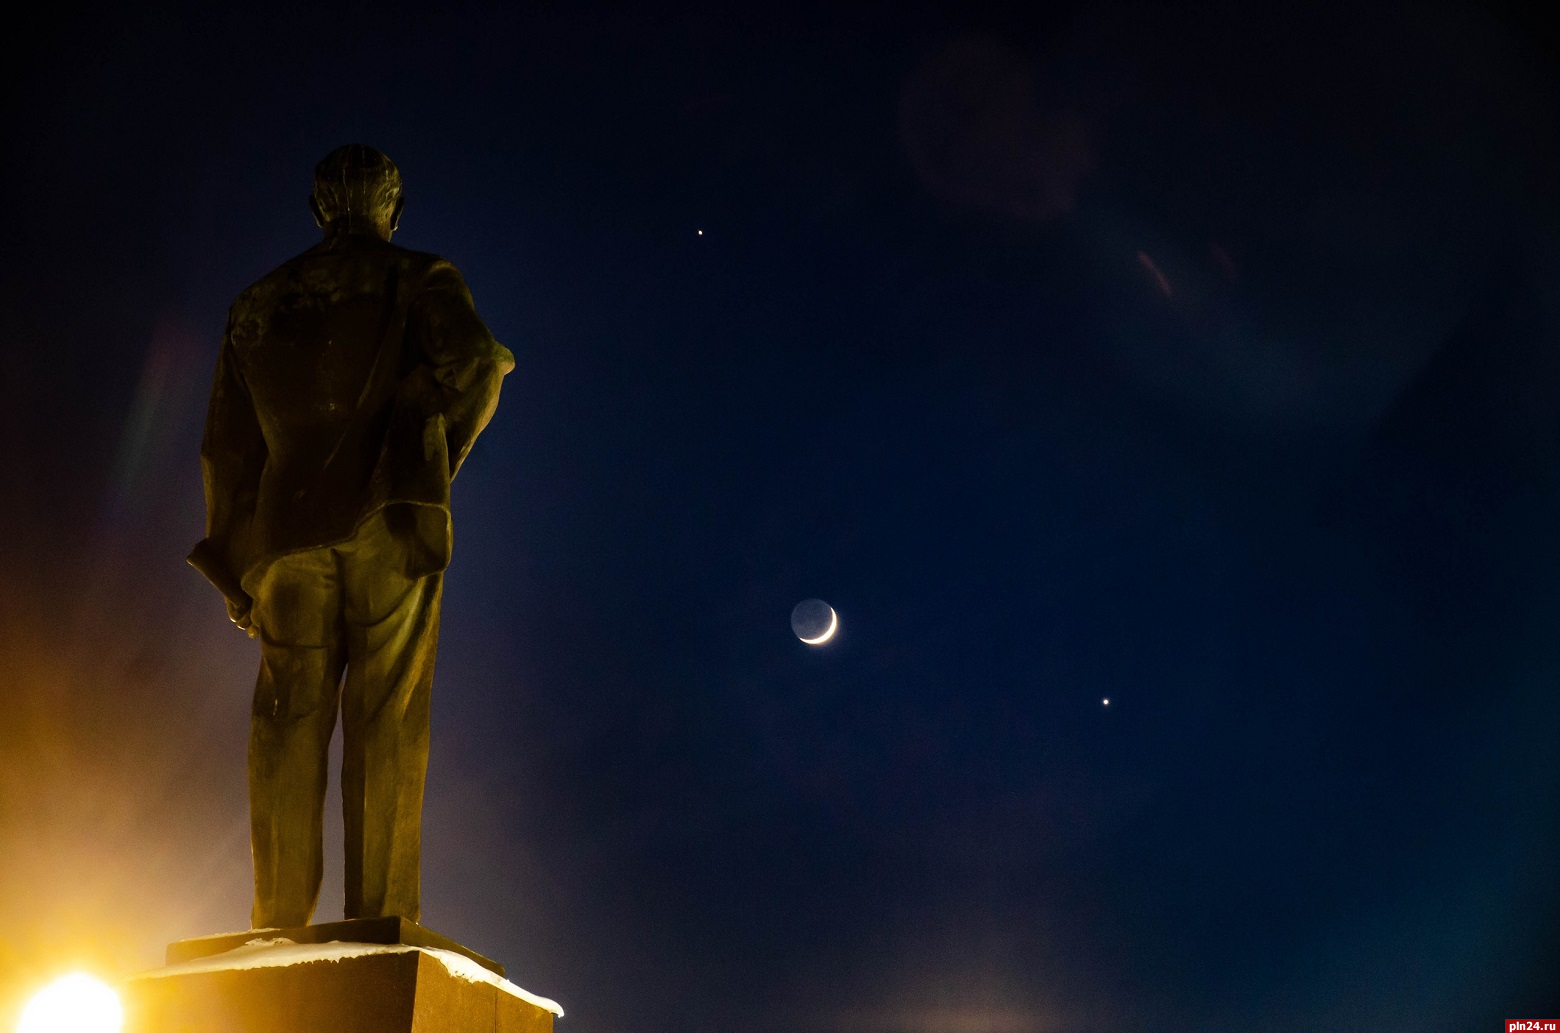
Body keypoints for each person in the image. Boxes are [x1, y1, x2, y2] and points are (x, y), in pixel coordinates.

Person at [191, 144, 514, 929]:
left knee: (285, 720)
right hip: (385, 520)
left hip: (282, 538)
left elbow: (226, 450)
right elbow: (474, 361)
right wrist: (426, 447)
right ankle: (378, 915)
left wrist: (234, 566)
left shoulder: (257, 304)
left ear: (318, 209)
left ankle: (277, 922)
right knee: (387, 711)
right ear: (391, 207)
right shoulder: (419, 276)